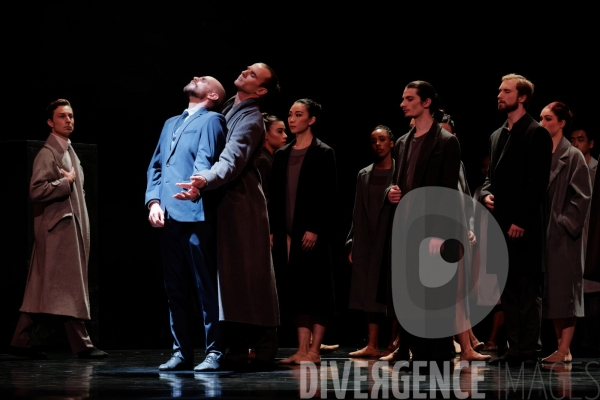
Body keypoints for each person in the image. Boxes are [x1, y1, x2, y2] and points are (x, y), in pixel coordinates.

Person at [175, 63, 281, 371]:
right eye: (247, 68)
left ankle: (263, 344)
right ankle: (236, 344)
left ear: (260, 90)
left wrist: (204, 179)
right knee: (229, 281)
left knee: (249, 277)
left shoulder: (251, 119)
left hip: (243, 207)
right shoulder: (226, 107)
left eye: (253, 74)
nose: (246, 71)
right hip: (223, 204)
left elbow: (230, 159)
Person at [10, 99, 107, 360]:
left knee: (42, 288)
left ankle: (20, 340)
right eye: (62, 116)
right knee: (68, 288)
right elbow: (36, 190)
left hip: (65, 230)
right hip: (57, 232)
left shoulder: (68, 150)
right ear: (50, 122)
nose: (69, 121)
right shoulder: (48, 153)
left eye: (71, 116)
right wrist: (64, 182)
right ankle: (82, 344)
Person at [145, 75, 227, 371]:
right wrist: (153, 202)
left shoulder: (212, 120)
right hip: (167, 215)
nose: (195, 77)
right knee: (175, 288)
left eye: (203, 79)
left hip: (195, 212)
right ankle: (181, 352)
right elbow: (156, 165)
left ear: (213, 96)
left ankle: (214, 351)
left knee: (205, 286)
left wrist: (196, 187)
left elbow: (205, 158)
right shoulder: (170, 123)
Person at [383, 81, 462, 365]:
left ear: (426, 102)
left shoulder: (446, 141)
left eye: (409, 98)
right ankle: (417, 353)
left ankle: (438, 356)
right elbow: (398, 181)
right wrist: (390, 191)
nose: (403, 103)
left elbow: (447, 193)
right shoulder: (404, 142)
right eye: (403, 98)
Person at [481, 74, 552, 366]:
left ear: (521, 97)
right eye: (499, 90)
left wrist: (521, 220)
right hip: (500, 224)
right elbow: (489, 177)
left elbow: (537, 182)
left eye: (506, 91)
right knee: (508, 288)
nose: (499, 94)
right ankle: (514, 349)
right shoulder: (498, 135)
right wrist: (485, 194)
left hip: (525, 227)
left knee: (526, 289)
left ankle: (529, 350)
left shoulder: (536, 133)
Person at [268, 98, 337, 365]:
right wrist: (276, 231)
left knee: (317, 291)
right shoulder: (281, 154)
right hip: (287, 234)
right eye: (290, 114)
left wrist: (315, 229)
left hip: (312, 234)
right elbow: (274, 197)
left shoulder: (323, 152)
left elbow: (328, 196)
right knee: (296, 291)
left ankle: (315, 349)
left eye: (298, 115)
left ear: (311, 119)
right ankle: (300, 349)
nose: (292, 120)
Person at [538, 102, 591, 363]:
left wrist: (563, 222)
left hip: (563, 236)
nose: (542, 123)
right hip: (544, 233)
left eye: (548, 118)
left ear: (561, 123)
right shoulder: (541, 153)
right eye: (541, 118)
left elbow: (582, 197)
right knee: (553, 291)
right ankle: (561, 348)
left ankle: (565, 348)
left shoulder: (572, 155)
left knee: (565, 291)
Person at [437, 112, 490, 362]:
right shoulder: (432, 159)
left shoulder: (457, 163)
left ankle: (467, 346)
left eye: (447, 133)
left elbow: (465, 199)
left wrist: (469, 226)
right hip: (440, 235)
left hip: (458, 233)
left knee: (460, 293)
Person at [346, 125, 399, 358]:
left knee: (394, 292)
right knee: (368, 290)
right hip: (368, 238)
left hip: (392, 236)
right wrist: (353, 241)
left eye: (382, 139)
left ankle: (394, 344)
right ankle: (372, 344)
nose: (378, 144)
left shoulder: (401, 171)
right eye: (373, 140)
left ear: (392, 143)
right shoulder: (364, 174)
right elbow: (357, 210)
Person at [256, 113, 287, 204]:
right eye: (279, 131)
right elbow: (264, 197)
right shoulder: (262, 160)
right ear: (265, 134)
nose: (285, 135)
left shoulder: (269, 157)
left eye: (284, 131)